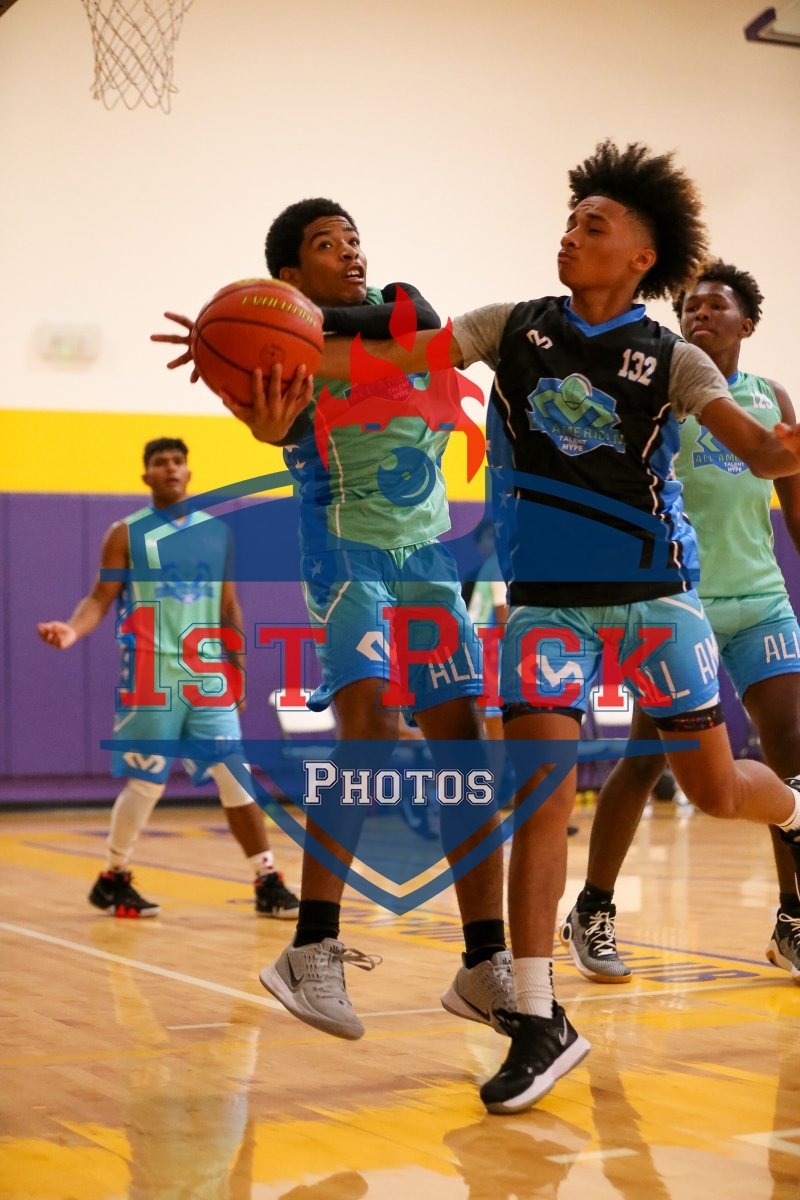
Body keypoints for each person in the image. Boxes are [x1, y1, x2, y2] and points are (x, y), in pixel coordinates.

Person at [312, 141, 800, 1113]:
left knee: (713, 790)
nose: (571, 235)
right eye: (570, 220)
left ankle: (791, 810)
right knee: (538, 794)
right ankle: (537, 1017)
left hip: (653, 599)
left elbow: (756, 451)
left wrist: (783, 447)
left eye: (593, 225)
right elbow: (391, 358)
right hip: (545, 603)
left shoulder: (674, 358)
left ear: (640, 257)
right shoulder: (510, 325)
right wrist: (277, 349)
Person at [152, 200, 511, 1042]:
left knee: (467, 749)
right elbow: (269, 423)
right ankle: (311, 947)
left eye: (353, 238)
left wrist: (315, 323)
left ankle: (484, 961)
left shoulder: (403, 307)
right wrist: (250, 383)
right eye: (326, 244)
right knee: (372, 726)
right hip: (347, 553)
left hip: (427, 557)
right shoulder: (286, 357)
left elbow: (424, 320)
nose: (351, 252)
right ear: (287, 277)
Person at [560, 260, 800, 985]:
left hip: (760, 601)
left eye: (716, 305)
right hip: (676, 603)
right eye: (690, 306)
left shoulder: (769, 397)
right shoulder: (662, 390)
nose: (699, 314)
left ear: (746, 322)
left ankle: (793, 919)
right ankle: (592, 908)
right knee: (646, 756)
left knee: (792, 756)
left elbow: (794, 507)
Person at [37, 438, 298, 920]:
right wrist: (72, 629)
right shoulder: (125, 533)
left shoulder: (217, 533)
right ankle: (114, 876)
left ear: (189, 473)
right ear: (147, 476)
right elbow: (100, 597)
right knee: (147, 782)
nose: (171, 468)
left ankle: (267, 879)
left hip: (208, 674)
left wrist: (238, 670)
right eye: (160, 463)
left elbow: (228, 607)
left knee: (234, 773)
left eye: (178, 461)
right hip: (150, 674)